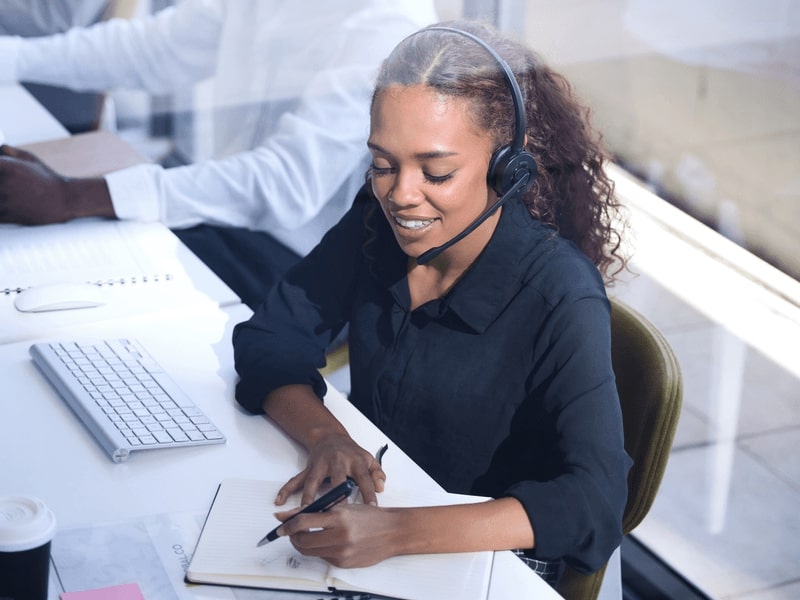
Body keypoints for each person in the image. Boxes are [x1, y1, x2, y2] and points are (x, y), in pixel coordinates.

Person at [232, 19, 632, 587]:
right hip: (374, 530)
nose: (400, 194)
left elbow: (592, 503)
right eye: (382, 164)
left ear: (507, 170)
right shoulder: (377, 224)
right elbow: (269, 336)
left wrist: (397, 532)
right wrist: (328, 437)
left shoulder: (559, 293)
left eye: (436, 172)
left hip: (485, 563)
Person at [0, 0, 437, 307]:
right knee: (33, 271)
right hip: (212, 215)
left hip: (296, 261)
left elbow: (285, 187)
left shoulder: (389, 22)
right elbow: (151, 50)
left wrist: (73, 197)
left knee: (63, 296)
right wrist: (12, 57)